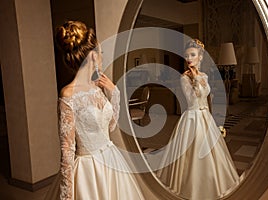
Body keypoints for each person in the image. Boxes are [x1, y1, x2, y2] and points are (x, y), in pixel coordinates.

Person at [45, 21, 144, 200]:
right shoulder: (68, 94)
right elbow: (67, 149)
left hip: (111, 159)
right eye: (101, 53)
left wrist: (114, 93)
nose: (102, 57)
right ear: (92, 56)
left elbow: (110, 127)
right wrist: (67, 195)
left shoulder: (96, 87)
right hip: (88, 169)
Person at [156, 39, 240, 200]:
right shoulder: (184, 78)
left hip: (205, 117)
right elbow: (193, 98)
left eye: (193, 55)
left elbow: (206, 95)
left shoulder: (205, 76)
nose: (189, 58)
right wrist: (194, 79)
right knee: (190, 156)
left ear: (200, 57)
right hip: (192, 118)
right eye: (187, 55)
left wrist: (198, 78)